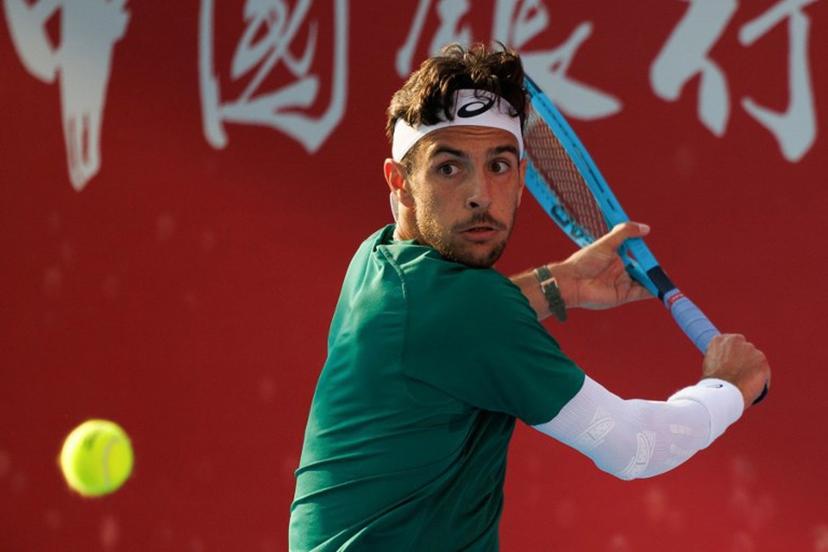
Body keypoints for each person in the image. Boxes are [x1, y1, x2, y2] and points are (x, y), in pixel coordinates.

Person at [288, 43, 770, 551]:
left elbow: (448, 329)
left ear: (521, 179)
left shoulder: (379, 259)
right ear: (401, 182)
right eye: (449, 168)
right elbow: (636, 447)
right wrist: (728, 386)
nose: (480, 194)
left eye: (498, 166)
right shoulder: (469, 310)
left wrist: (558, 284)